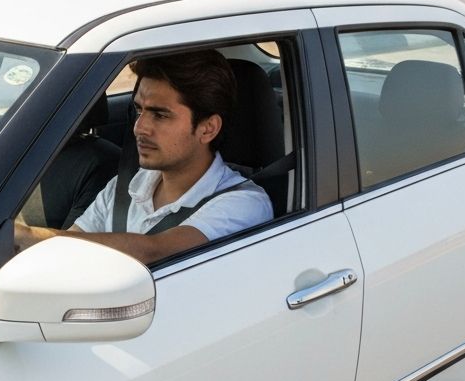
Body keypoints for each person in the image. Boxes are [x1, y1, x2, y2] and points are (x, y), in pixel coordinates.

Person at [14, 49, 273, 264]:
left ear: (208, 129)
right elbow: (71, 246)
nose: (139, 127)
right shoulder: (124, 188)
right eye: (139, 110)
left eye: (160, 115)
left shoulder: (245, 204)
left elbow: (156, 251)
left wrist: (27, 236)